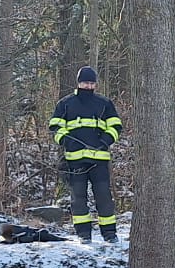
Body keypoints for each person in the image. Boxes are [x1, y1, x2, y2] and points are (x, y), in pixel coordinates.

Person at [50, 65, 122, 242]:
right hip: (75, 161)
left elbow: (116, 126)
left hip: (99, 161)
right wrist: (67, 141)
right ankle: (83, 234)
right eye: (85, 82)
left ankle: (110, 234)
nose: (88, 86)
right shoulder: (65, 104)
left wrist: (105, 140)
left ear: (95, 84)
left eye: (91, 83)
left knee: (104, 197)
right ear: (78, 83)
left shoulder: (104, 103)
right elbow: (55, 127)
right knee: (78, 199)